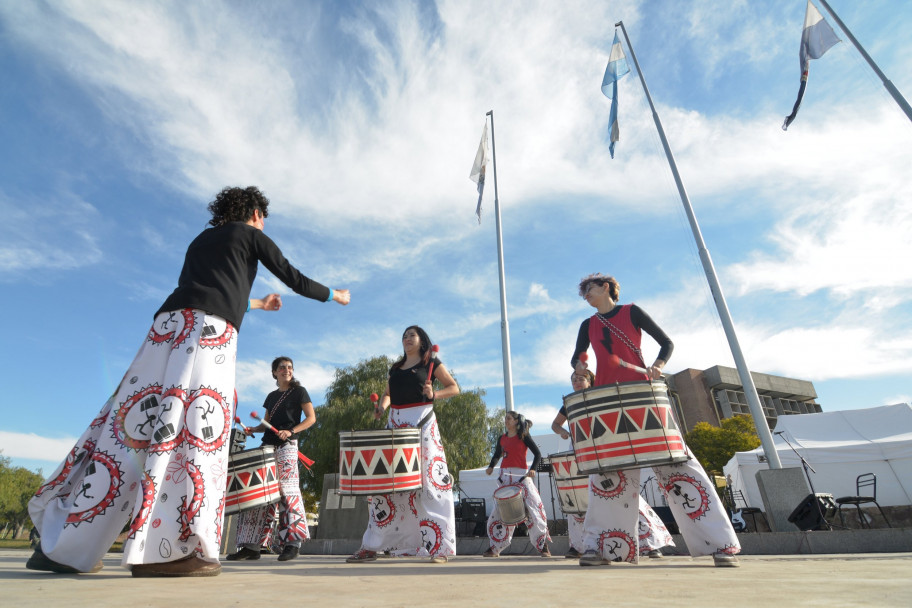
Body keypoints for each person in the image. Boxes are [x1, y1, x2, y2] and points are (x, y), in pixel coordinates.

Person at [26, 186, 350, 577]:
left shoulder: (200, 241)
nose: (263, 222)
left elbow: (209, 288)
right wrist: (335, 294)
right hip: (208, 333)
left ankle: (62, 545)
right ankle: (169, 550)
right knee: (196, 428)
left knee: (128, 427)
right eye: (263, 216)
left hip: (165, 328)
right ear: (253, 212)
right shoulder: (250, 234)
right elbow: (293, 277)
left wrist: (259, 304)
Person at [571, 273, 740, 567]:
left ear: (606, 287)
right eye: (582, 290)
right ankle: (601, 548)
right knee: (607, 477)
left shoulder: (631, 311)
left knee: (679, 467)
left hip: (643, 397)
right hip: (607, 402)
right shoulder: (588, 325)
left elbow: (666, 343)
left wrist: (658, 366)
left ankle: (721, 544)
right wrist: (581, 367)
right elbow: (578, 355)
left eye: (590, 288)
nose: (585, 293)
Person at [347, 326, 459, 564]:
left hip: (423, 423)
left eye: (412, 335)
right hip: (395, 425)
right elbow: (388, 393)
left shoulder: (432, 363)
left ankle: (440, 548)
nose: (407, 339)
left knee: (431, 485)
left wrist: (434, 394)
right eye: (404, 336)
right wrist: (381, 408)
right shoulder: (396, 368)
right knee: (384, 488)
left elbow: (453, 388)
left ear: (421, 341)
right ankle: (372, 545)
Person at [551, 369, 674, 559]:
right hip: (581, 449)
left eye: (581, 378)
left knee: (624, 490)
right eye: (573, 379)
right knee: (579, 498)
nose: (576, 381)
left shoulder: (600, 396)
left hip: (607, 447)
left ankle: (651, 543)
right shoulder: (569, 403)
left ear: (590, 381)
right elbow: (555, 424)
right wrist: (563, 432)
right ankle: (578, 545)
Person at [227, 356, 315, 563]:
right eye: (282, 367)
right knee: (258, 493)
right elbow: (266, 423)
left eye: (290, 367)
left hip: (287, 446)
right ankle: (251, 546)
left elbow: (311, 419)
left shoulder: (299, 392)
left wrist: (291, 430)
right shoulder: (271, 396)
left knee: (287, 490)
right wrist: (252, 429)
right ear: (274, 372)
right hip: (267, 446)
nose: (287, 370)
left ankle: (292, 544)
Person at [482, 411, 552, 558]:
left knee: (534, 510)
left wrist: (532, 469)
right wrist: (490, 466)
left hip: (521, 477)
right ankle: (495, 548)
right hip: (505, 478)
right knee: (499, 513)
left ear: (516, 421)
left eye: (509, 418)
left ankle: (543, 546)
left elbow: (538, 454)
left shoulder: (523, 437)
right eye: (505, 418)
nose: (506, 421)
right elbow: (497, 454)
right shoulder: (502, 438)